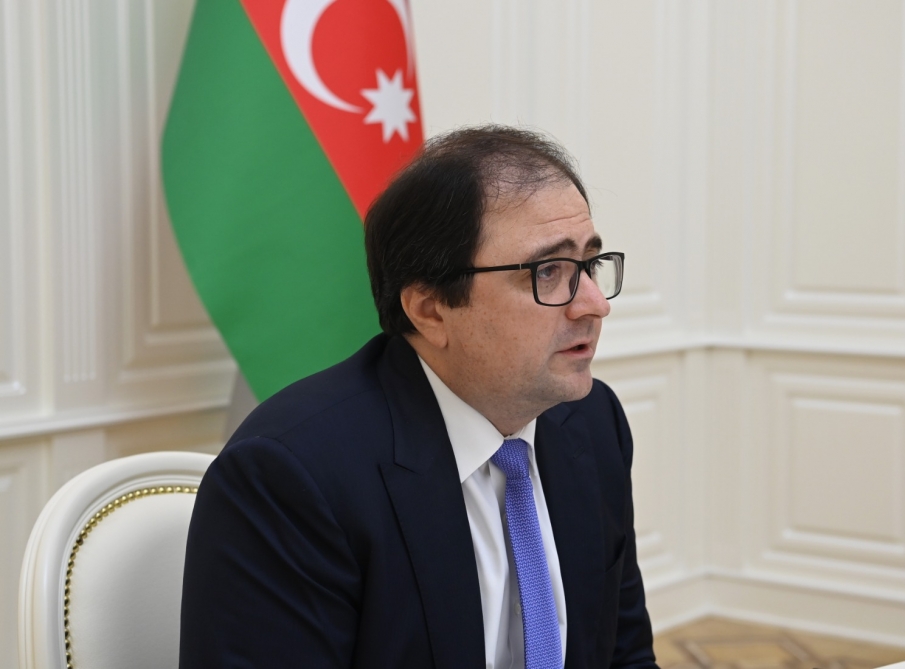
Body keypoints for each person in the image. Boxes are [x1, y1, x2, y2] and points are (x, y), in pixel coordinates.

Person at [179, 125, 659, 669]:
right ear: (430, 310)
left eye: (590, 265)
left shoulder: (591, 422)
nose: (595, 303)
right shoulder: (291, 478)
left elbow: (624, 655)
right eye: (548, 271)